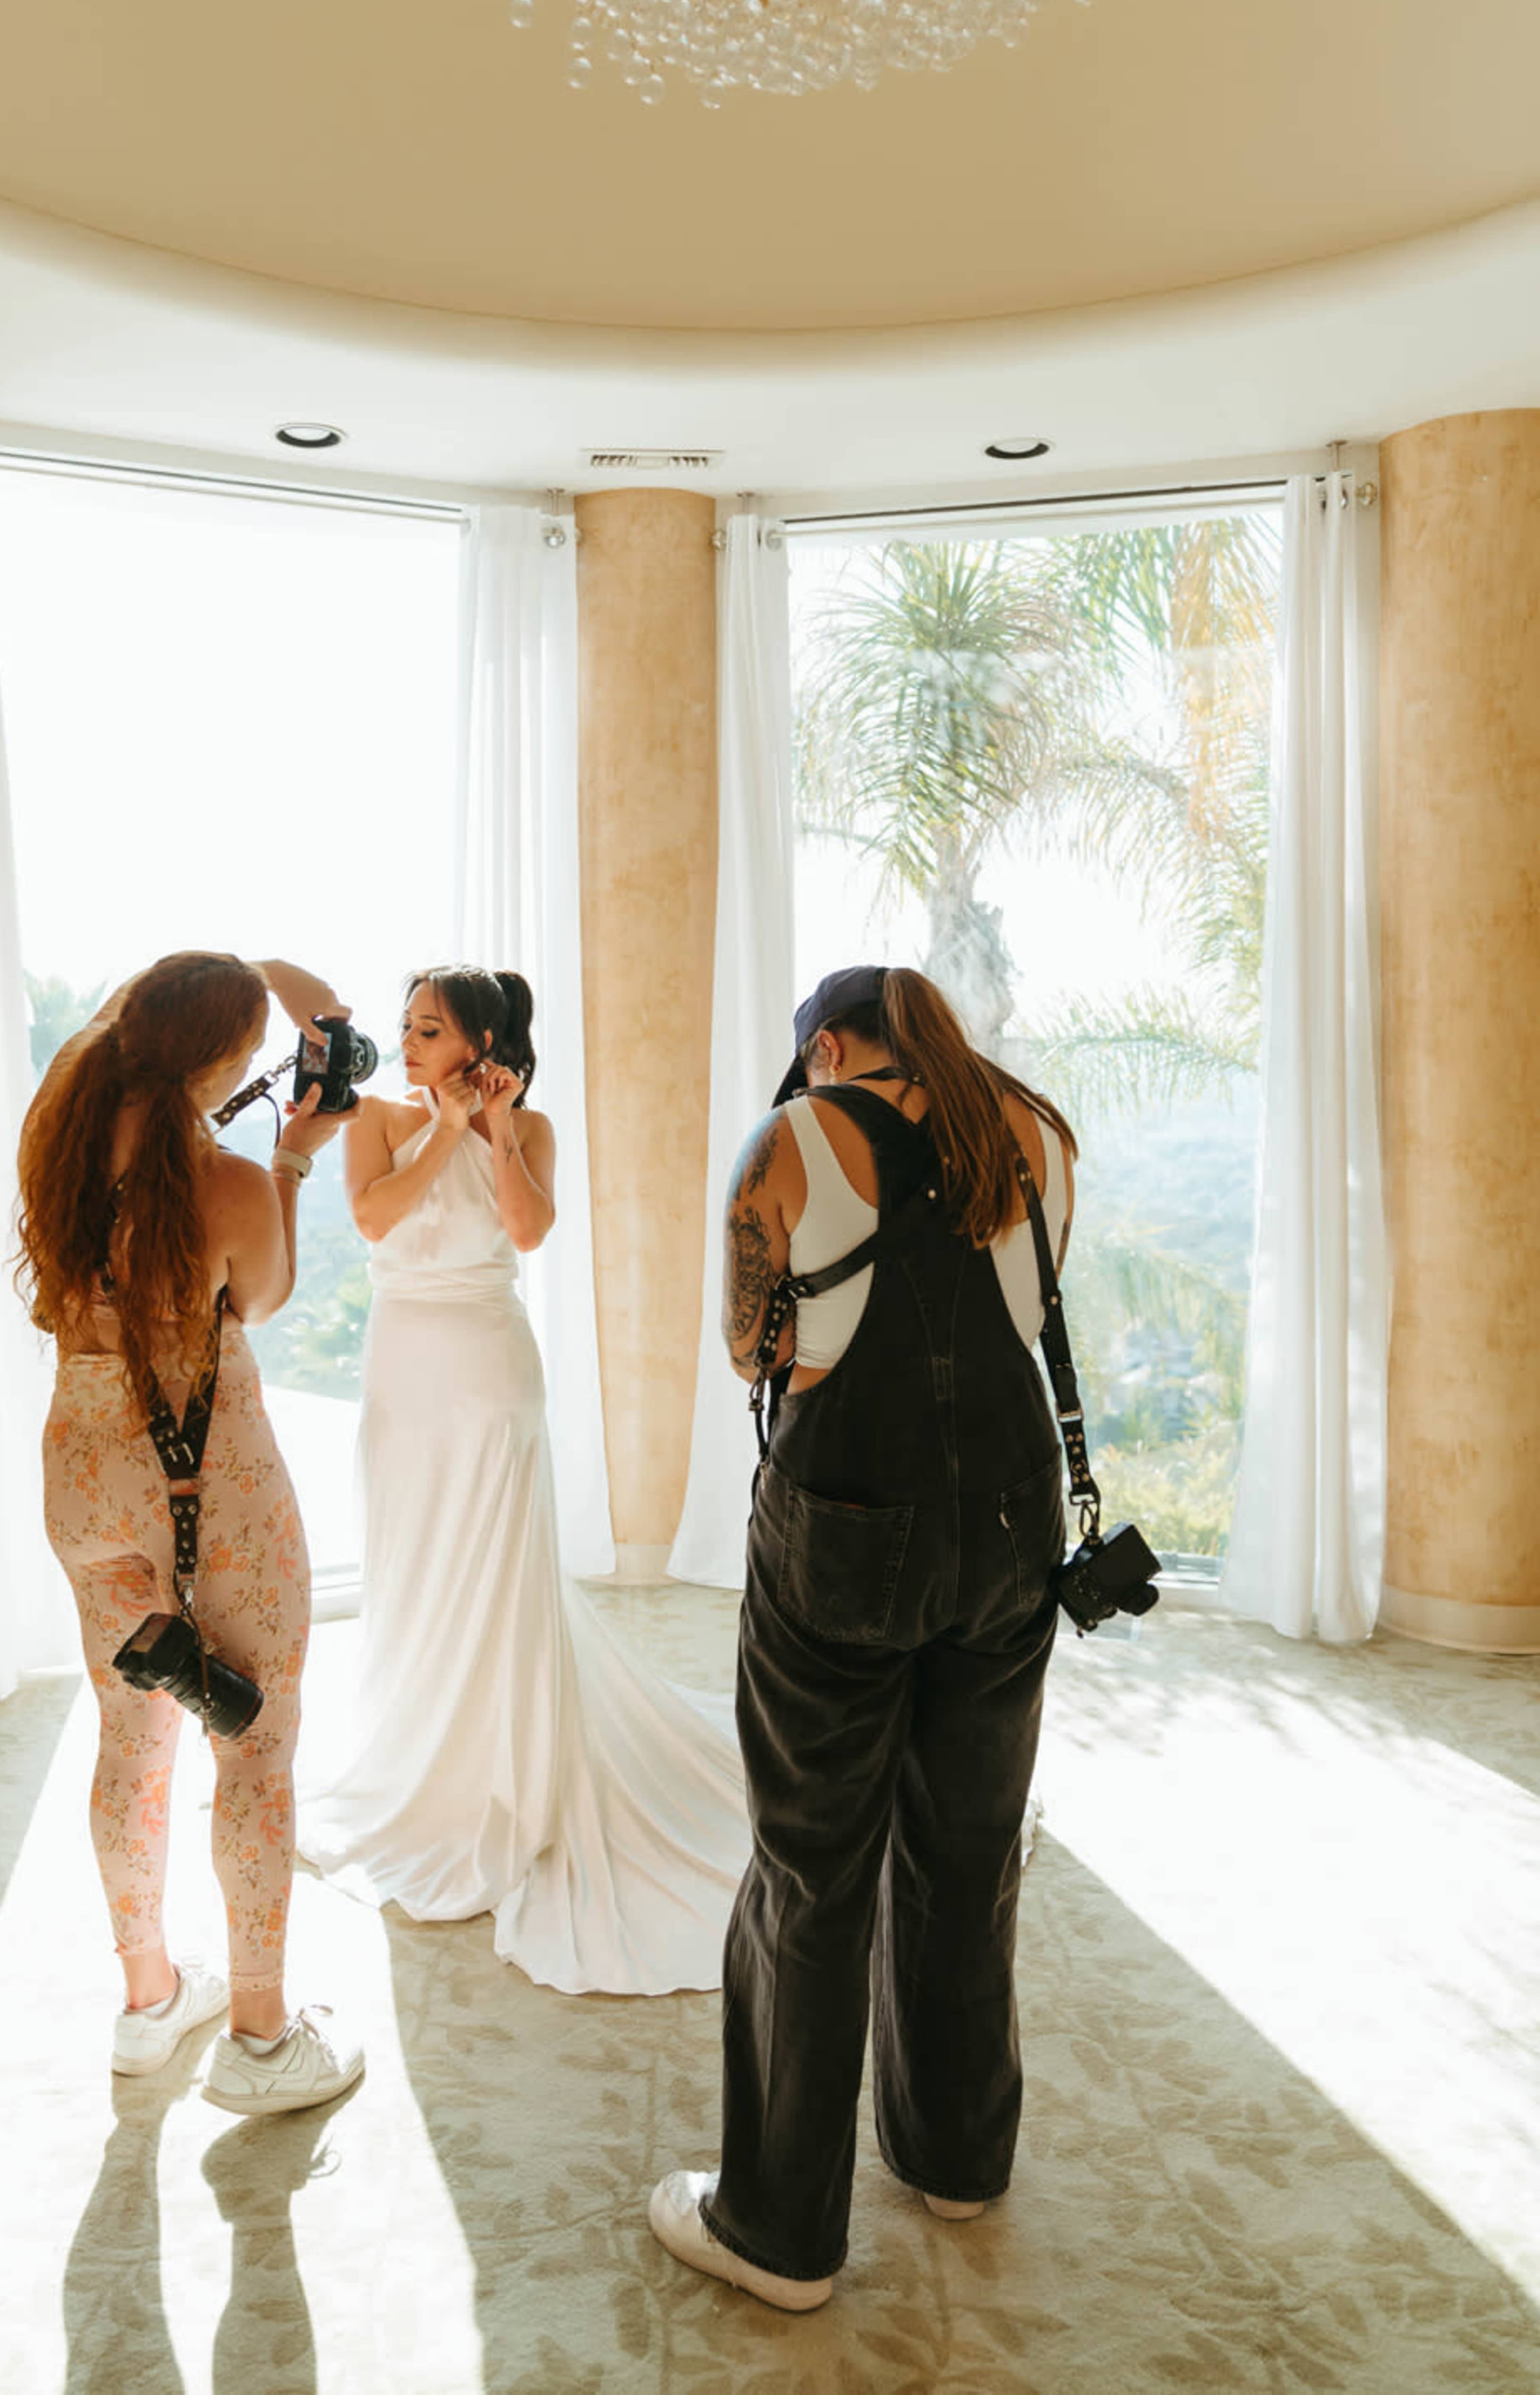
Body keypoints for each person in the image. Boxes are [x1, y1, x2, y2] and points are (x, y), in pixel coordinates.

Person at [649, 962, 1077, 2310]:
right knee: (966, 1848)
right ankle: (957, 2155)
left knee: (811, 1863)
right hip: (1014, 1527)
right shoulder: (1042, 1131)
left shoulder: (794, 1139)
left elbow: (752, 1352)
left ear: (827, 1047)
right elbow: (1025, 1302)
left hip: (846, 1528)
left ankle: (778, 2228)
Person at [294, 966, 751, 1995]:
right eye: (405, 1025)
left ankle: (507, 1779)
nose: (406, 1042)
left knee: (497, 1577)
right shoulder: (372, 1117)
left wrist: (492, 1126)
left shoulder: (532, 1128)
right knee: (414, 1563)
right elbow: (375, 1219)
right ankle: (421, 1766)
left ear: (482, 1041)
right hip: (405, 1373)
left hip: (495, 1373)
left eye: (429, 1028)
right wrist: (444, 1125)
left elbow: (531, 1229)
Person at [18, 948, 366, 2113]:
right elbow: (259, 1301)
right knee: (253, 1750)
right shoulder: (224, 1181)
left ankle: (148, 1999)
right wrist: (291, 1164)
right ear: (223, 1064)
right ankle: (263, 2040)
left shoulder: (52, 1140)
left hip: (83, 1472)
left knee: (131, 1740)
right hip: (209, 1491)